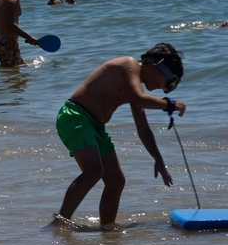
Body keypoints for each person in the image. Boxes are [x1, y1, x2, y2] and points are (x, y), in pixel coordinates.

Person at [52, 44, 184, 227]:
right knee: (93, 171)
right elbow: (139, 99)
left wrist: (158, 159)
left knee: (116, 180)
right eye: (168, 82)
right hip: (75, 117)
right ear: (157, 66)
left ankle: (107, 228)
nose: (163, 89)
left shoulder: (136, 89)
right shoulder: (128, 64)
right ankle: (59, 223)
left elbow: (143, 129)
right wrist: (170, 105)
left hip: (96, 127)